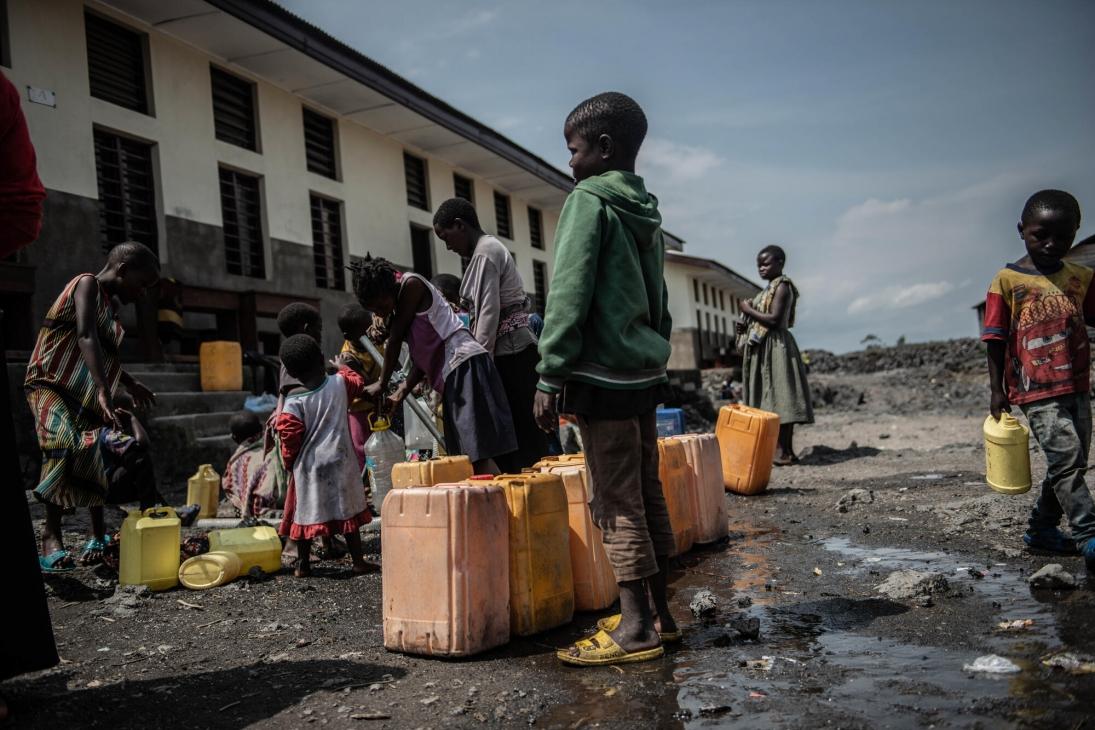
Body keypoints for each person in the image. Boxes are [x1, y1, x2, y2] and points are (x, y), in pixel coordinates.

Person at [533, 92, 678, 666]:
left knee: (614, 500)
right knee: (647, 493)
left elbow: (568, 291)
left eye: (573, 150)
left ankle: (636, 628)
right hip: (644, 372)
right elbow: (660, 299)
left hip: (602, 377)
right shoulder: (645, 209)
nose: (569, 163)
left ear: (603, 148)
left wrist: (550, 375)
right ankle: (661, 617)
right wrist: (655, 355)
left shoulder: (589, 200)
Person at [25, 242, 160, 573]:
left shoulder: (110, 309)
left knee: (90, 453)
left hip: (82, 389)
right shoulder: (86, 283)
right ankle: (50, 534)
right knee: (63, 445)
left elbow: (102, 350)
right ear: (123, 270)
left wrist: (128, 383)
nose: (142, 294)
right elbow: (85, 335)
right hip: (51, 382)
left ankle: (96, 533)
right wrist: (104, 388)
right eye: (142, 284)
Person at [983, 189, 1095, 571]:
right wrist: (997, 390)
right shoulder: (1007, 280)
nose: (1051, 244)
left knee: (1072, 461)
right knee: (1066, 461)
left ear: (1076, 233)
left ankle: (1042, 529)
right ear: (1022, 231)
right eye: (1040, 235)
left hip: (1078, 385)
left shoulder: (1081, 276)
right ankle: (1089, 535)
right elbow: (995, 339)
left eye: (1062, 237)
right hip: (1034, 390)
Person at [353, 255, 516, 475]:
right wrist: (399, 394)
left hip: (465, 365)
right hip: (454, 374)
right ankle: (497, 504)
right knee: (466, 457)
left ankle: (503, 505)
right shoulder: (405, 314)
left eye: (382, 306)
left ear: (390, 287)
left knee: (477, 457)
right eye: (375, 310)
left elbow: (394, 338)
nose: (381, 314)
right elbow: (422, 359)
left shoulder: (412, 285)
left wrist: (381, 384)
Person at [0, 68, 55, 710]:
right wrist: (106, 393)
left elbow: (20, 203)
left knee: (80, 467)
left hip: (75, 391)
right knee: (64, 464)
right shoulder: (91, 289)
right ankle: (57, 540)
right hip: (57, 391)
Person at [434, 197, 549, 471]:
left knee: (522, 441)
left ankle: (532, 501)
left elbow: (487, 314)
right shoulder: (484, 253)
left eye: (446, 237)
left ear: (460, 225)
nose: (448, 246)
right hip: (507, 354)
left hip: (512, 355)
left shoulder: (486, 252)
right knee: (519, 441)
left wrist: (478, 369)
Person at [273, 334, 372, 578]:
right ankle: (358, 561)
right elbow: (356, 381)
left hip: (309, 468)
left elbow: (289, 437)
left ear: (292, 373)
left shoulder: (293, 403)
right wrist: (342, 366)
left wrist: (289, 462)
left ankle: (303, 565)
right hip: (341, 462)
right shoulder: (339, 384)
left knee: (305, 516)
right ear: (320, 358)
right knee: (347, 513)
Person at [736, 245, 814, 465]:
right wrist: (743, 327)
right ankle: (777, 450)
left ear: (780, 263)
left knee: (782, 397)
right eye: (759, 264)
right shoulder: (764, 293)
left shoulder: (783, 287)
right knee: (767, 399)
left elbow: (776, 320)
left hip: (777, 346)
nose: (761, 268)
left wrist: (747, 310)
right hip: (762, 348)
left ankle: (786, 452)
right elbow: (760, 320)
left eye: (766, 263)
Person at [337, 302, 384, 512]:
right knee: (362, 452)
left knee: (382, 449)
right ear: (348, 335)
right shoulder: (348, 357)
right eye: (363, 331)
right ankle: (365, 498)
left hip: (378, 405)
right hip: (357, 410)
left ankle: (381, 490)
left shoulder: (373, 341)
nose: (369, 333)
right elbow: (362, 387)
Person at [223, 410, 279, 517]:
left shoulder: (239, 462)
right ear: (261, 428)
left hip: (264, 507)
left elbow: (231, 488)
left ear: (234, 438)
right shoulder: (278, 448)